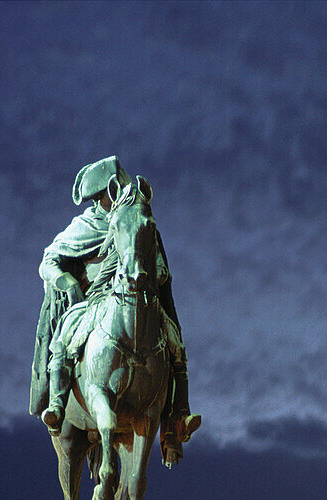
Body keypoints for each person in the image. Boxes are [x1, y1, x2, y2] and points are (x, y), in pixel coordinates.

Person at [29, 155, 201, 447]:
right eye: (110, 193)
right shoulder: (84, 226)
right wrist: (67, 281)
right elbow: (48, 261)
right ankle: (57, 404)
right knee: (65, 335)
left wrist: (151, 272)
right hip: (94, 300)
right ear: (100, 197)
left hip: (138, 298)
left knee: (174, 342)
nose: (117, 196)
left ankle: (177, 416)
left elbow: (160, 267)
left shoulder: (138, 219)